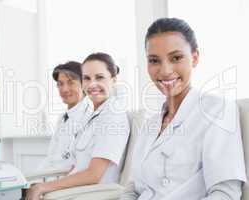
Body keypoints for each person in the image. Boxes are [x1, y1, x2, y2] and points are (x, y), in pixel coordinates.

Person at [120, 18, 247, 200]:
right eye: (154, 60)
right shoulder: (150, 124)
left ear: (194, 58)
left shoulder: (217, 110)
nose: (165, 71)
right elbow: (132, 189)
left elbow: (225, 193)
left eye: (176, 58)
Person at [26, 53, 130, 200]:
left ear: (113, 79)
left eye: (99, 77)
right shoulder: (93, 117)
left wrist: (44, 187)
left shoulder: (112, 116)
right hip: (73, 190)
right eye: (87, 78)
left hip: (89, 194)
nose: (92, 84)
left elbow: (94, 175)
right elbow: (76, 166)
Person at [37, 61, 92, 171]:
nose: (64, 89)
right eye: (60, 84)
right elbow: (50, 157)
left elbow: (77, 166)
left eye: (71, 82)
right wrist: (33, 181)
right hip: (50, 177)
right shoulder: (63, 118)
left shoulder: (89, 118)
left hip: (65, 183)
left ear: (84, 84)